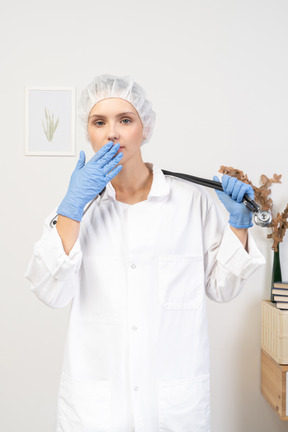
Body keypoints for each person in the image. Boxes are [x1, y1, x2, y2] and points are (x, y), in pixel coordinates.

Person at [25, 74, 265, 432]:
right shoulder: (76, 209)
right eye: (99, 122)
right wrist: (72, 208)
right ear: (87, 132)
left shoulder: (190, 202)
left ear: (145, 128)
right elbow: (50, 291)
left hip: (172, 407)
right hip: (96, 411)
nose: (112, 133)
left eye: (125, 119)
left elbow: (222, 288)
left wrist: (239, 224)